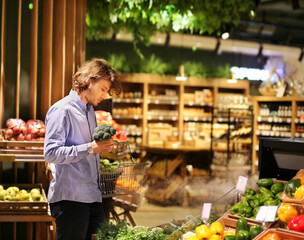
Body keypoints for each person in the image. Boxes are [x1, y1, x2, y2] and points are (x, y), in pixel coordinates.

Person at [44, 58, 121, 240]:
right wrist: (89, 148)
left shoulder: (89, 112)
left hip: (92, 197)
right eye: (103, 89)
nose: (105, 95)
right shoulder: (62, 110)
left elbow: (89, 150)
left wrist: (98, 148)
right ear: (89, 81)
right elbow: (51, 153)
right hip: (70, 200)